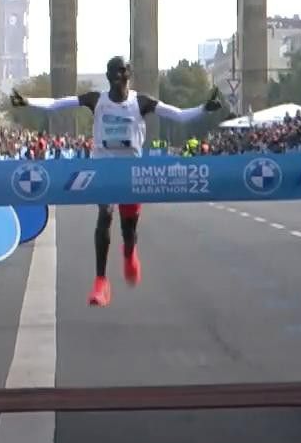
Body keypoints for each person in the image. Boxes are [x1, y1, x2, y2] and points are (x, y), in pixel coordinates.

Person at [12, 56, 225, 307]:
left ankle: (129, 252)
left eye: (122, 71)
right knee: (105, 214)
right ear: (107, 74)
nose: (117, 76)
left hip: (130, 169)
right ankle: (101, 282)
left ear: (129, 74)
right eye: (113, 71)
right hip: (103, 166)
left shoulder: (141, 102)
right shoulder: (96, 99)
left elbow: (178, 116)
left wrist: (203, 109)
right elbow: (58, 104)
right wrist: (27, 102)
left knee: (128, 226)